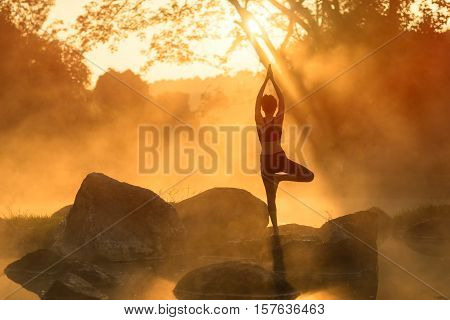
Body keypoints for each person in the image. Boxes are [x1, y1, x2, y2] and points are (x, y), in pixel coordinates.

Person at [255, 65, 314, 234]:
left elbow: (257, 102)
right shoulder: (278, 119)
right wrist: (273, 80)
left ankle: (275, 230)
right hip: (279, 159)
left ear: (263, 108)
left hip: (267, 162)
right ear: (274, 108)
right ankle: (281, 179)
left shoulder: (259, 120)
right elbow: (282, 100)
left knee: (270, 199)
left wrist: (265, 81)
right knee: (309, 176)